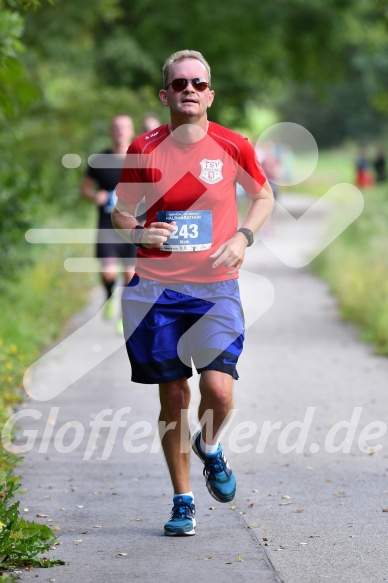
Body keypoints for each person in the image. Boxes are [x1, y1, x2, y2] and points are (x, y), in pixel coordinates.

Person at [112, 50, 274, 536]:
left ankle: (210, 446)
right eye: (179, 83)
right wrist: (138, 232)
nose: (189, 90)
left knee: (219, 392)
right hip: (157, 289)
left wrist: (243, 237)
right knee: (174, 397)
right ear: (165, 94)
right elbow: (121, 212)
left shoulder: (232, 144)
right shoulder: (143, 146)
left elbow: (263, 196)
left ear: (209, 94)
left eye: (198, 83)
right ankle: (183, 500)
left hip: (215, 288)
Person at [81, 115, 137, 321]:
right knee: (109, 273)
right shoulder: (99, 160)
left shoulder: (141, 158)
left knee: (130, 275)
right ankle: (109, 296)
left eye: (124, 127)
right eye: (116, 128)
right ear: (110, 132)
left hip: (134, 225)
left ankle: (126, 314)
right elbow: (85, 188)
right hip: (107, 225)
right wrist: (95, 195)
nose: (120, 131)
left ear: (132, 131)